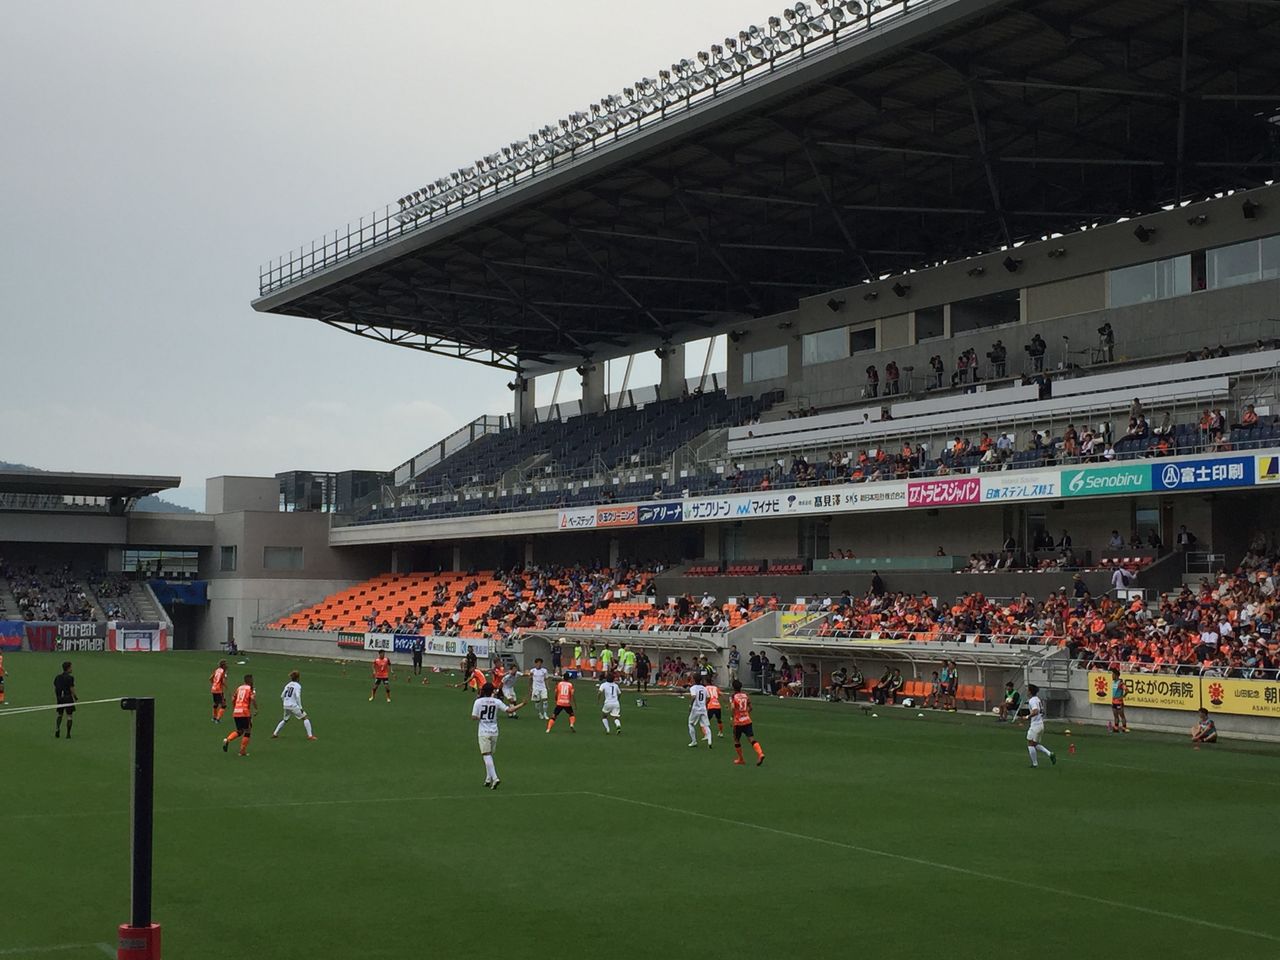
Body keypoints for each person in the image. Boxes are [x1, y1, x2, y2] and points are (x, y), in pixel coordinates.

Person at [473, 682, 524, 789]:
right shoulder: (497, 701)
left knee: (486, 755)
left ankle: (495, 778)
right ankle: (488, 779)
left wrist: (480, 717)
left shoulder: (478, 702)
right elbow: (510, 710)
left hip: (483, 732)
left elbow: (474, 716)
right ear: (492, 691)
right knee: (490, 755)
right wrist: (522, 704)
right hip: (494, 731)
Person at [271, 670, 316, 740]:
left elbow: (282, 696)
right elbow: (297, 696)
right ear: (298, 678)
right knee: (305, 718)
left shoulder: (288, 685)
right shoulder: (297, 686)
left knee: (285, 720)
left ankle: (275, 733)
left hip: (286, 705)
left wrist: (285, 702)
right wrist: (300, 707)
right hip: (293, 705)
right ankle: (310, 736)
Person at [729, 680, 764, 766]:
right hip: (747, 720)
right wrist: (745, 713)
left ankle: (741, 759)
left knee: (736, 740)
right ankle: (760, 753)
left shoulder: (733, 696)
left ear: (733, 688)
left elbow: (733, 708)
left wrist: (732, 717)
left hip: (738, 722)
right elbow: (751, 708)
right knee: (751, 738)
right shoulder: (745, 695)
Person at [1022, 683, 1056, 768]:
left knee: (1030, 743)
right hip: (1040, 724)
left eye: (1027, 690)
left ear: (1030, 691)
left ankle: (1035, 764)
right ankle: (1050, 754)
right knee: (1034, 744)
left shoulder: (1032, 700)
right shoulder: (1037, 699)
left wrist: (1027, 717)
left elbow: (1036, 711)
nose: (1026, 691)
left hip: (1035, 725)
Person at [222, 674, 257, 757]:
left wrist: (235, 707)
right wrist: (256, 708)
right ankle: (242, 751)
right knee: (248, 731)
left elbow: (233, 699)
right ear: (250, 681)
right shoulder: (250, 689)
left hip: (236, 711)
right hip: (245, 712)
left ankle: (227, 739)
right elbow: (252, 698)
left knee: (240, 731)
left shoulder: (239, 688)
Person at [53, 660, 77, 739]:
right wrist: (75, 697)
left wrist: (58, 696)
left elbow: (55, 687)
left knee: (60, 714)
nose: (72, 669)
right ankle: (68, 734)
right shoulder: (70, 678)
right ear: (68, 668)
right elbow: (71, 688)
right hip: (68, 698)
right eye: (71, 667)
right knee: (69, 716)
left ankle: (57, 729)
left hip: (60, 698)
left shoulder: (58, 677)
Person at [687, 679, 713, 748]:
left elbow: (693, 696)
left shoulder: (693, 688)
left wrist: (690, 705)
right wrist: (704, 704)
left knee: (690, 724)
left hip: (695, 709)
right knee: (706, 725)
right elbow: (709, 697)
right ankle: (710, 742)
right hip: (703, 709)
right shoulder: (704, 688)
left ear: (694, 680)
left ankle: (694, 741)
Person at [1109, 668, 1129, 733]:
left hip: (1119, 702)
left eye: (1113, 675)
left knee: (1122, 715)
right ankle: (1116, 728)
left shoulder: (1120, 683)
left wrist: (1122, 697)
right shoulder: (1113, 682)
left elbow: (1127, 690)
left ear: (1116, 675)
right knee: (1115, 716)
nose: (1112, 676)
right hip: (1113, 701)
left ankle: (1124, 728)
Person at [209, 658, 228, 723]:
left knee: (216, 703)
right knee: (224, 705)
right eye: (225, 664)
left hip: (213, 689)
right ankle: (217, 719)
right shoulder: (223, 671)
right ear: (223, 665)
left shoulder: (217, 670)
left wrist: (214, 684)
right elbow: (223, 682)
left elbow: (210, 678)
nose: (227, 666)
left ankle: (214, 717)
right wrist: (226, 687)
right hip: (219, 690)